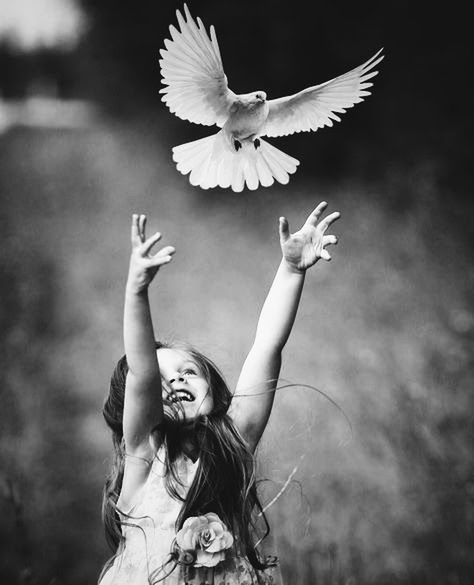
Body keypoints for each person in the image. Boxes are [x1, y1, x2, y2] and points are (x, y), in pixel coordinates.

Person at [99, 202, 340, 584]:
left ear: (211, 385)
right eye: (161, 382)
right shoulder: (144, 457)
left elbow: (266, 346)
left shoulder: (234, 440)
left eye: (187, 372)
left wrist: (291, 270)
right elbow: (142, 371)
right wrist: (137, 292)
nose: (175, 382)